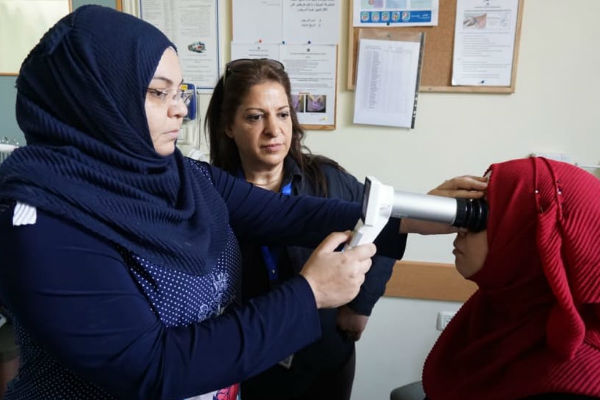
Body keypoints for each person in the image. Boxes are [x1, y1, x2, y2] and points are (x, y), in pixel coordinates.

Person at [0, 6, 485, 400]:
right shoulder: (41, 222)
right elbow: (152, 368)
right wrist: (309, 294)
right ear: (94, 99)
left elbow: (286, 214)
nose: (179, 107)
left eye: (180, 91)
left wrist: (414, 215)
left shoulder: (179, 176)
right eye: (156, 92)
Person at [205, 58, 398, 400]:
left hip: (323, 359)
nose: (274, 130)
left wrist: (360, 307)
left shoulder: (327, 179)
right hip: (246, 363)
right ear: (228, 126)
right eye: (255, 116)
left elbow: (388, 223)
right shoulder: (208, 195)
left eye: (282, 114)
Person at [422, 157, 600, 400]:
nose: (460, 229)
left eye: (481, 216)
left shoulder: (577, 380)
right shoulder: (493, 312)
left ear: (528, 240)